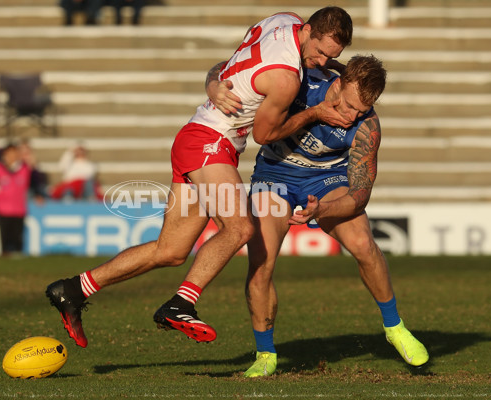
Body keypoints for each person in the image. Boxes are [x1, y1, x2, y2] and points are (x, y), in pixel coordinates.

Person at [45, 7, 353, 349]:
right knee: (240, 227)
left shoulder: (283, 20)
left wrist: (212, 84)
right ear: (308, 30)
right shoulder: (286, 79)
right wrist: (314, 113)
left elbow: (226, 66)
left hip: (195, 137)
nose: (323, 62)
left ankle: (73, 288)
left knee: (171, 251)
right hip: (211, 143)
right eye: (321, 52)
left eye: (332, 57)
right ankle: (182, 304)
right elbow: (265, 135)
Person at [208, 55, 429, 377]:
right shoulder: (298, 83)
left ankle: (395, 328)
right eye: (349, 105)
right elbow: (227, 67)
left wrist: (321, 210)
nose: (352, 115)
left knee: (364, 244)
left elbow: (359, 196)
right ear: (337, 84)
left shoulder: (367, 126)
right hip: (275, 177)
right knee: (261, 261)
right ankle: (266, 353)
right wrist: (213, 86)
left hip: (327, 180)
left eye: (362, 110)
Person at [0, 142, 45, 256]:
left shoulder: (25, 169)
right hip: (2, 210)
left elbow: (36, 183)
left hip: (19, 210)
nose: (11, 156)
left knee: (17, 239)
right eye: (9, 154)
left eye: (14, 153)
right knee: (4, 239)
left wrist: (38, 194)